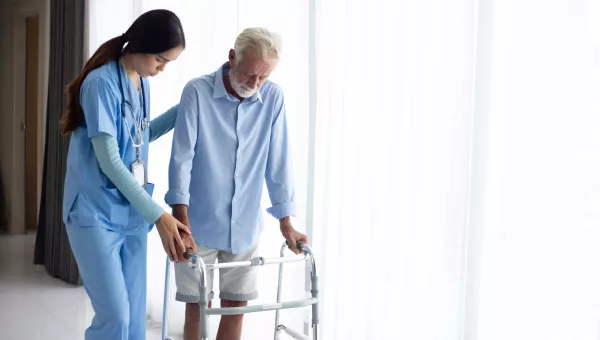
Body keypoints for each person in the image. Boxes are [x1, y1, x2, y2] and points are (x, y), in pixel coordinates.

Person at [165, 27, 309, 340]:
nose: (255, 85)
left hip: (244, 226)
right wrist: (181, 224)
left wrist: (287, 224)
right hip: (197, 225)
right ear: (232, 58)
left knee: (235, 307)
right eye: (249, 75)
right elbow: (181, 159)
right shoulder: (197, 92)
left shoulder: (273, 98)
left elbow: (278, 162)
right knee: (197, 309)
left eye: (263, 78)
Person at [60, 9, 191, 340]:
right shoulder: (100, 83)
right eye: (161, 60)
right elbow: (110, 162)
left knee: (134, 324)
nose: (162, 69)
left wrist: (185, 108)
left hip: (130, 213)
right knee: (115, 319)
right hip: (94, 212)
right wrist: (158, 215)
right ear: (143, 45)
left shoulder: (140, 82)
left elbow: (141, 135)